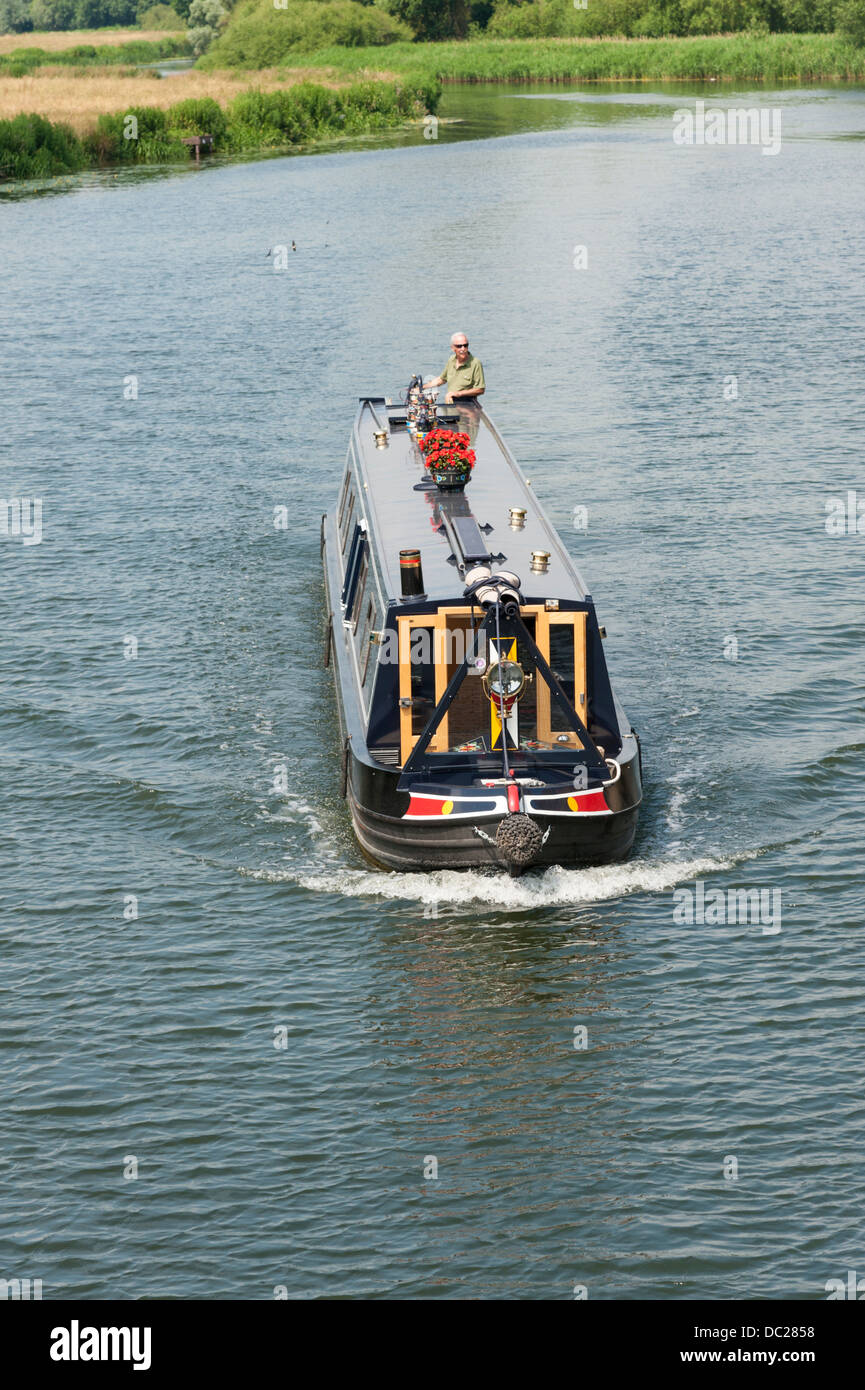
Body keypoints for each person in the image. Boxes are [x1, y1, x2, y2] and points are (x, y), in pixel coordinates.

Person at [425, 333, 485, 404]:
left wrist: (458, 393)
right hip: (451, 404)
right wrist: (422, 387)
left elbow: (480, 389)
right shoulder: (451, 360)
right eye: (459, 346)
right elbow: (442, 379)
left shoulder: (475, 363)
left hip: (468, 405)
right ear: (453, 348)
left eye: (465, 345)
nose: (463, 349)